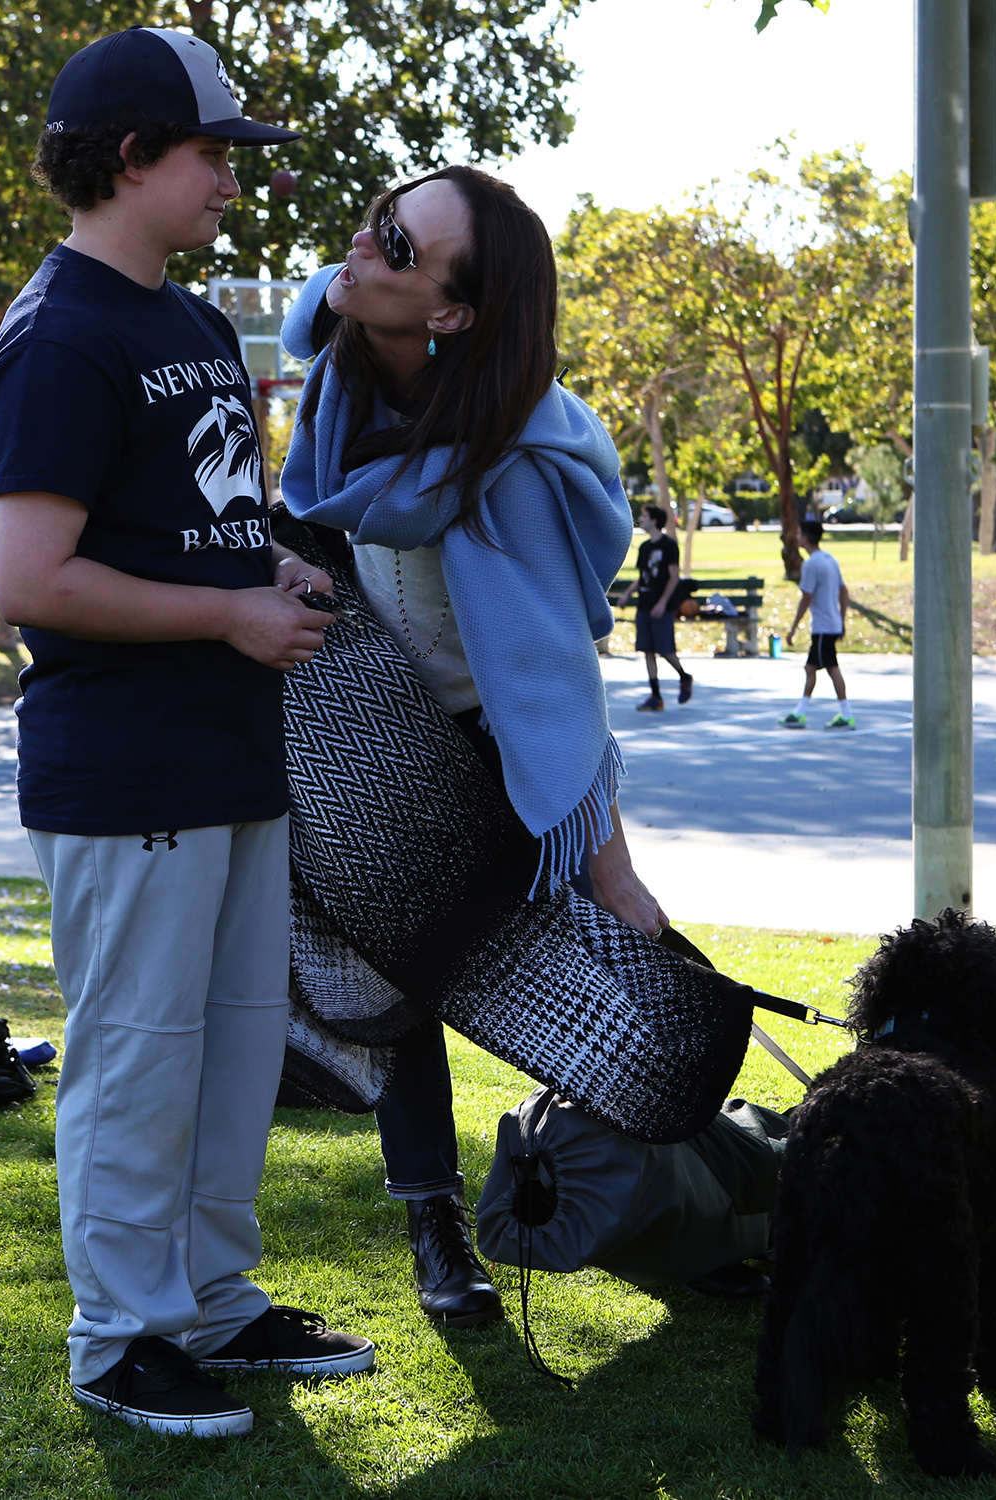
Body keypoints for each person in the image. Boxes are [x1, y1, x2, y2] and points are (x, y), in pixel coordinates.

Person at [0, 27, 369, 1440]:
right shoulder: (59, 334)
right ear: (131, 158)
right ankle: (119, 1339)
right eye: (211, 156)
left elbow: (207, 524)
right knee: (137, 1055)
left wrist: (260, 575)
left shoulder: (194, 323)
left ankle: (210, 1303)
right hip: (125, 763)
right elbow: (30, 583)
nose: (231, 183)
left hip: (229, 752)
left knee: (230, 1043)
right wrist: (220, 622)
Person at [279, 165, 666, 1330]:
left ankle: (686, 1201)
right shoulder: (341, 389)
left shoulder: (517, 467)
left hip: (505, 759)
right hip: (382, 743)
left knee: (619, 997)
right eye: (377, 215)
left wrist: (607, 865)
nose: (363, 241)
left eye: (397, 243)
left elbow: (554, 681)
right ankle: (436, 1225)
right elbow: (309, 528)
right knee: (402, 997)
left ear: (449, 313)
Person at [782, 517, 853, 729]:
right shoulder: (830, 559)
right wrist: (841, 620)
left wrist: (793, 628)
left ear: (805, 537)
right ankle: (800, 712)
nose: (797, 537)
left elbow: (806, 597)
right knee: (811, 668)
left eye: (799, 534)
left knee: (831, 668)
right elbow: (844, 591)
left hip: (822, 627)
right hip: (830, 624)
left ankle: (846, 714)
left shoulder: (812, 564)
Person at [621, 502, 691, 710]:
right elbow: (643, 578)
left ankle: (684, 676)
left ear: (654, 520)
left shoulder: (669, 546)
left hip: (662, 605)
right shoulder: (645, 547)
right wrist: (627, 594)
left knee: (664, 648)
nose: (640, 519)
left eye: (644, 517)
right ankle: (656, 696)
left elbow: (673, 577)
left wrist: (662, 603)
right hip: (644, 604)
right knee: (647, 650)